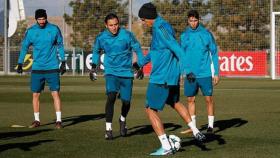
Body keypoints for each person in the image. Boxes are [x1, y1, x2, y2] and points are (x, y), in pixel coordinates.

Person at [138, 3, 205, 156]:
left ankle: (166, 145)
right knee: (174, 102)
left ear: (149, 18)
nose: (143, 22)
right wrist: (139, 64)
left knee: (150, 108)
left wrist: (187, 69)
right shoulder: (161, 27)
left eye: (143, 19)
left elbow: (176, 48)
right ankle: (195, 130)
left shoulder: (160, 28)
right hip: (170, 76)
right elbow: (157, 52)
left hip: (162, 77)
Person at [90, 13, 144, 140]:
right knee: (111, 96)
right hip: (111, 72)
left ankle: (122, 119)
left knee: (126, 101)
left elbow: (138, 49)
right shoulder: (101, 38)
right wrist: (93, 67)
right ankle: (108, 129)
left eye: (116, 25)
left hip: (126, 72)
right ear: (106, 25)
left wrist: (140, 66)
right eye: (111, 25)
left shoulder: (127, 35)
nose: (114, 28)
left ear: (118, 24)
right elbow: (96, 51)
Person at [17, 9, 66, 129]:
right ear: (36, 19)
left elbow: (60, 45)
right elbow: (24, 47)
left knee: (55, 93)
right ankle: (37, 120)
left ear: (46, 17)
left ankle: (59, 120)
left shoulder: (54, 29)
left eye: (43, 19)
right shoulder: (31, 31)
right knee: (35, 95)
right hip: (37, 68)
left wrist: (63, 61)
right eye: (39, 19)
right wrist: (20, 63)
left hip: (52, 67)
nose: (42, 21)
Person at [180, 10, 219, 134]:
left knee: (208, 99)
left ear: (199, 20)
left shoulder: (206, 34)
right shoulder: (184, 36)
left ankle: (210, 126)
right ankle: (194, 127)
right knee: (190, 99)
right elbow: (181, 56)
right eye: (191, 21)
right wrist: (182, 73)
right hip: (190, 75)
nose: (193, 23)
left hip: (205, 73)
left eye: (195, 20)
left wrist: (216, 72)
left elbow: (214, 53)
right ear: (188, 21)